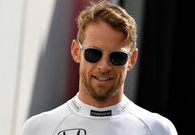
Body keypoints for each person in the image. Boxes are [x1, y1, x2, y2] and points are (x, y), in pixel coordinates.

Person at [21, 1, 178, 135]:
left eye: (117, 57)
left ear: (132, 59)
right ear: (76, 51)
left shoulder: (158, 130)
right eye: (93, 54)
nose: (104, 66)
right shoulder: (39, 129)